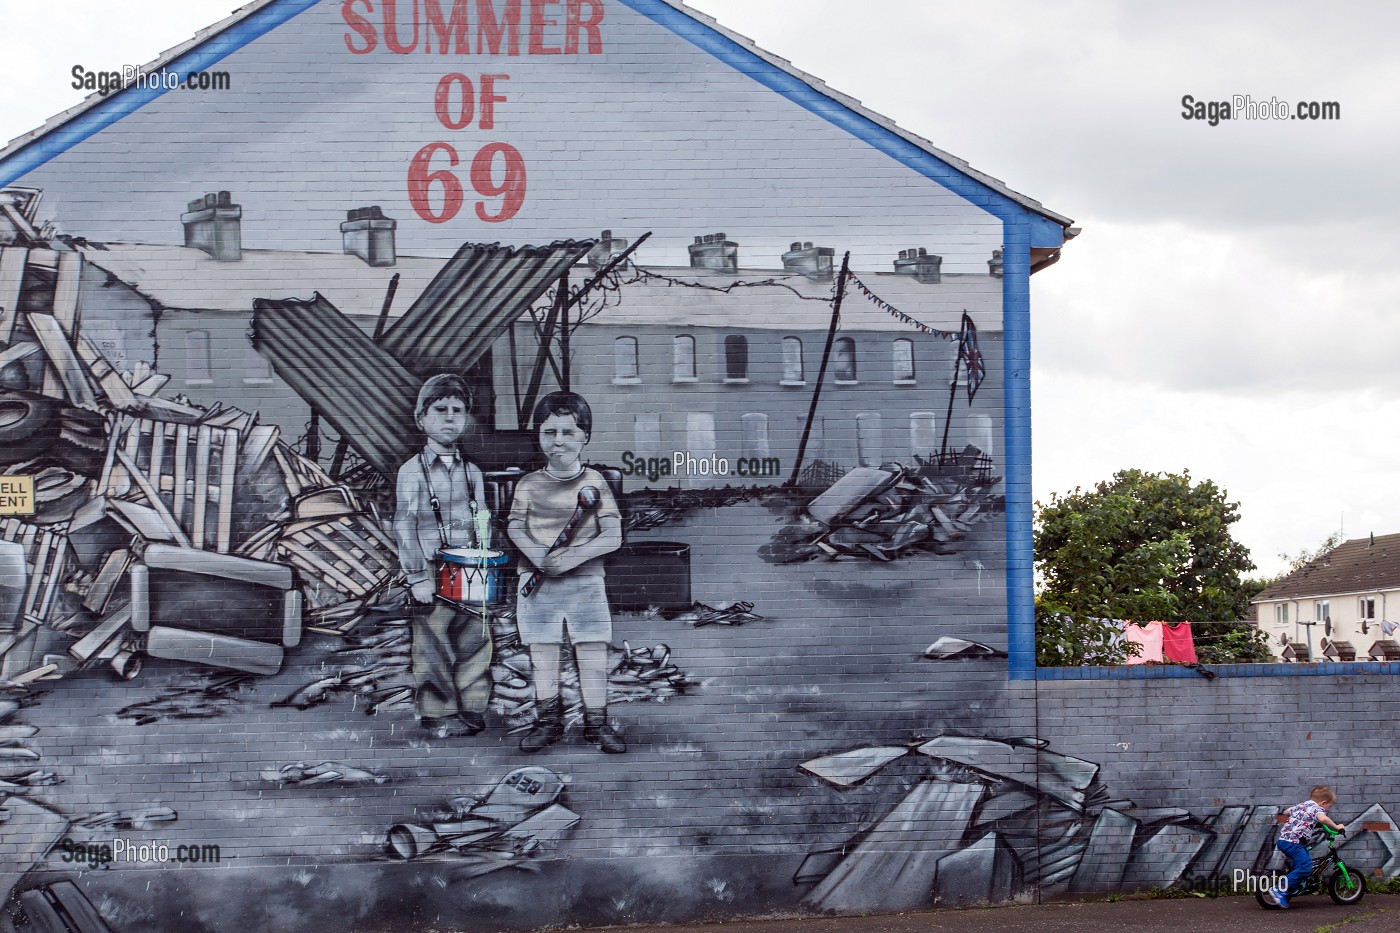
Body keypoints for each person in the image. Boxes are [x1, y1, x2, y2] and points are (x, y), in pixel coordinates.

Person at [508, 391, 625, 754]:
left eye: (568, 432)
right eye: (549, 432)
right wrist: (538, 555)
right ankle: (548, 723)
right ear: (539, 436)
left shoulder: (596, 482)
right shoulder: (527, 484)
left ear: (584, 436)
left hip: (585, 583)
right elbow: (514, 527)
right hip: (536, 583)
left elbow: (613, 535)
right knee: (543, 657)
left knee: (591, 656)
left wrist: (575, 555)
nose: (558, 441)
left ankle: (596, 724)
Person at [393, 374, 493, 737]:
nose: (450, 418)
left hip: (469, 566)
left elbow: (482, 516)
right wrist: (416, 576)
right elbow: (404, 526)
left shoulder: (472, 472)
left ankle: (473, 704)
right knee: (432, 641)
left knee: (476, 637)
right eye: (440, 410)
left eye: (458, 410)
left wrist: (484, 556)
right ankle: (437, 710)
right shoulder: (412, 473)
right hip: (432, 569)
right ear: (421, 418)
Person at [1273, 784, 1346, 907]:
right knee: (1306, 867)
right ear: (1323, 803)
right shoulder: (1317, 809)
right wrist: (1338, 827)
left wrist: (1305, 820)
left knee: (1303, 859)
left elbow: (1286, 812)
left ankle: (1294, 883)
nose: (1328, 809)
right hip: (1293, 843)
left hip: (1284, 840)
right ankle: (1280, 889)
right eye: (1329, 806)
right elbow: (1324, 820)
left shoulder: (1302, 805)